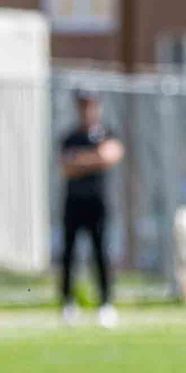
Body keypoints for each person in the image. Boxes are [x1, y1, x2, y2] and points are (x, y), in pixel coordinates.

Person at [59, 91, 123, 328]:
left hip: (98, 203)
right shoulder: (70, 137)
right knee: (69, 254)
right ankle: (67, 303)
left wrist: (80, 160)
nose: (87, 110)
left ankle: (105, 304)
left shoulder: (107, 132)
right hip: (73, 202)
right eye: (83, 106)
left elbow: (110, 156)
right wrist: (94, 157)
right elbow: (65, 166)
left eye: (91, 105)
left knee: (100, 253)